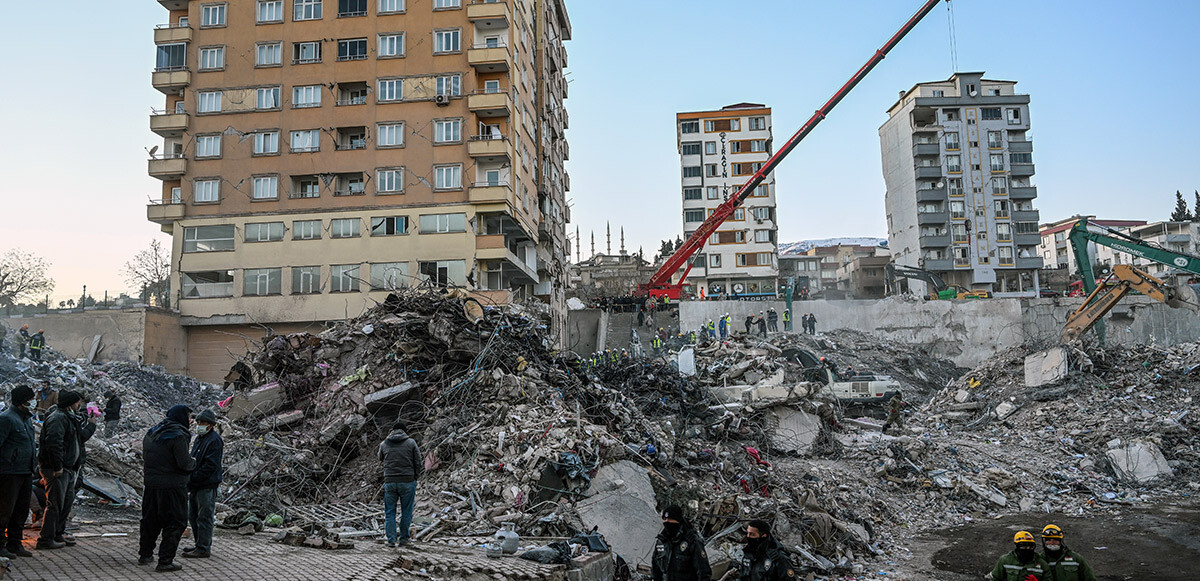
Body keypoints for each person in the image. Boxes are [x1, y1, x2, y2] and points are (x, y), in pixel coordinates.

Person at [139, 405, 195, 572]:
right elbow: (184, 463)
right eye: (189, 416)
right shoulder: (178, 436)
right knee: (176, 521)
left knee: (151, 520)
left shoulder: (152, 432)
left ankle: (145, 554)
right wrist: (194, 462)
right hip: (172, 487)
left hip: (151, 485)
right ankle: (165, 560)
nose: (191, 421)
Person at [36, 390, 92, 550]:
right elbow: (54, 444)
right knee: (55, 504)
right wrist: (57, 466)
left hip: (68, 469)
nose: (79, 405)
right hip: (57, 470)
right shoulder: (58, 418)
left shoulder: (68, 417)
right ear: (70, 403)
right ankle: (46, 539)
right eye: (77, 402)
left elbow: (78, 439)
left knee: (65, 503)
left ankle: (57, 533)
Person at [0, 386, 38, 558]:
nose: (35, 402)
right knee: (4, 511)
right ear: (24, 402)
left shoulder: (26, 419)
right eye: (32, 399)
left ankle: (15, 543)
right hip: (9, 473)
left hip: (25, 471)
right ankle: (1, 546)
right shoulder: (7, 419)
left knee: (21, 510)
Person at [184, 410, 223, 559]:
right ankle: (198, 543)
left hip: (206, 484)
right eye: (198, 423)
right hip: (196, 484)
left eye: (203, 423)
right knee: (193, 516)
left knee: (204, 516)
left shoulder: (214, 440)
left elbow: (210, 465)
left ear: (210, 425)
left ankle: (203, 548)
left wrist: (194, 477)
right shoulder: (200, 438)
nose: (199, 425)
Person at [379, 419, 422, 547]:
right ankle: (404, 539)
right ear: (404, 431)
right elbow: (418, 461)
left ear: (392, 431)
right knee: (406, 512)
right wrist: (415, 477)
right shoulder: (411, 443)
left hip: (390, 482)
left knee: (390, 512)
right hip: (408, 481)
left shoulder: (384, 444)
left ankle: (391, 540)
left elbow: (380, 458)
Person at [651, 505, 711, 581]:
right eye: (665, 519)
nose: (667, 522)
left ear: (678, 520)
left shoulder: (692, 541)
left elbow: (704, 572)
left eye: (670, 519)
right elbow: (655, 570)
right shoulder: (662, 541)